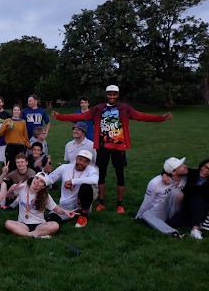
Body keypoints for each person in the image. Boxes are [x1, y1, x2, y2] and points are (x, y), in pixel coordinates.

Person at [51, 84, 173, 213]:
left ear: (117, 95)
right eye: (110, 94)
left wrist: (161, 118)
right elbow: (80, 117)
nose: (112, 96)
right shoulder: (98, 109)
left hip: (119, 146)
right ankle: (102, 202)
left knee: (120, 175)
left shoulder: (125, 108)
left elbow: (141, 116)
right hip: (103, 146)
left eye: (114, 94)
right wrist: (60, 117)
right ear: (106, 95)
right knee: (101, 174)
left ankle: (120, 204)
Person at [4, 173, 78, 238]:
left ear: (43, 186)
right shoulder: (22, 187)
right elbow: (8, 196)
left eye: (41, 181)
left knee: (55, 225)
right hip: (22, 223)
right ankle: (35, 235)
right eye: (36, 178)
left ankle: (27, 234)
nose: (37, 182)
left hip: (39, 225)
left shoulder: (45, 196)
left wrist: (65, 212)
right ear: (33, 178)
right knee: (8, 223)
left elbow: (56, 209)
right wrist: (11, 189)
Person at [135, 157, 187, 238]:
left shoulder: (186, 177)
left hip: (179, 207)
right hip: (162, 207)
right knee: (146, 215)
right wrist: (138, 216)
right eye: (180, 166)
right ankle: (172, 232)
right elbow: (147, 202)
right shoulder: (155, 183)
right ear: (173, 172)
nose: (185, 166)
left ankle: (172, 222)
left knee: (175, 192)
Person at [44, 150, 98, 228]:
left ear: (88, 163)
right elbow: (49, 180)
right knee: (51, 219)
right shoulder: (64, 168)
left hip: (81, 203)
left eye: (85, 161)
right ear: (76, 158)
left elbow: (94, 179)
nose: (82, 163)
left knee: (86, 187)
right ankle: (73, 213)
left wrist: (73, 181)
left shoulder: (91, 169)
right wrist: (44, 171)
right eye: (80, 160)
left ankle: (83, 216)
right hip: (66, 204)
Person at [0, 105, 30, 169]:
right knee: (10, 164)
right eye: (15, 110)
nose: (16, 112)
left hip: (20, 145)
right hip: (10, 146)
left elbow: (25, 135)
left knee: (20, 164)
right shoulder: (7, 121)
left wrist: (29, 146)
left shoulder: (23, 122)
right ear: (12, 111)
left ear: (20, 112)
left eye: (18, 110)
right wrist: (5, 126)